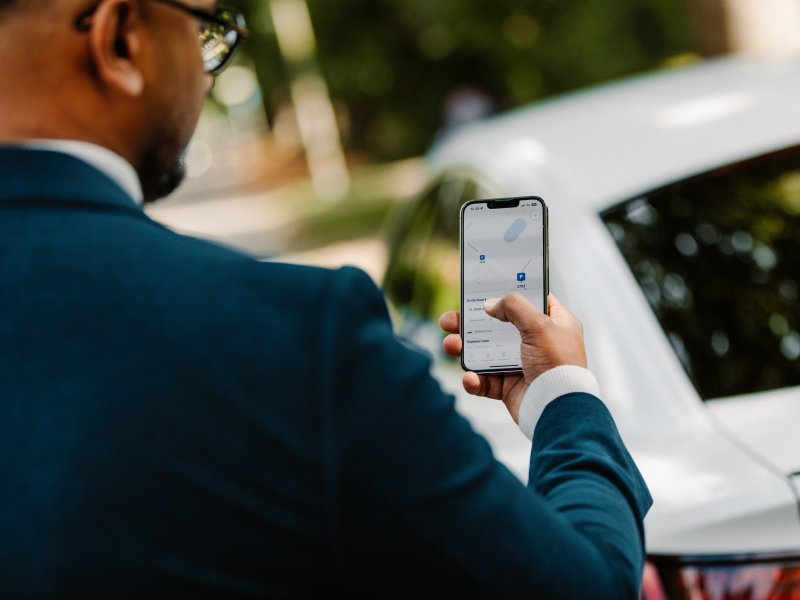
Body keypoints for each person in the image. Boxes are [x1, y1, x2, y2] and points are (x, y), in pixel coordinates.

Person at [0, 0, 652, 597]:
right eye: (208, 33)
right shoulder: (288, 337)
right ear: (119, 40)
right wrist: (562, 395)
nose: (206, 76)